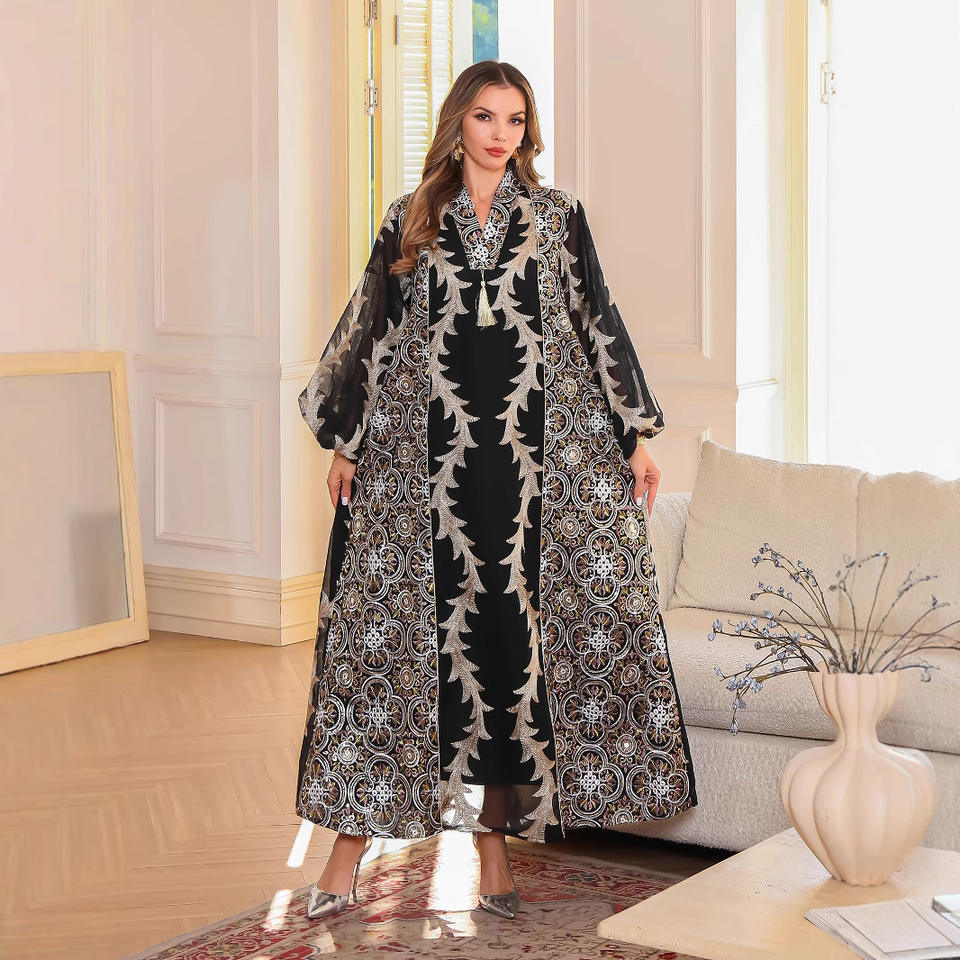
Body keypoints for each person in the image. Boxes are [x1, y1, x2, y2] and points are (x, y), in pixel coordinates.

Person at [297, 59, 697, 922]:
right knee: (390, 651)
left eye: (515, 120)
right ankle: (344, 858)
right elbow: (373, 329)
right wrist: (348, 442)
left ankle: (493, 854)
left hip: (529, 471)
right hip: (421, 467)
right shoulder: (411, 219)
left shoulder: (556, 217)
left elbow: (596, 321)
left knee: (506, 653)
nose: (500, 135)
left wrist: (633, 435)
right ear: (458, 122)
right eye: (486, 117)